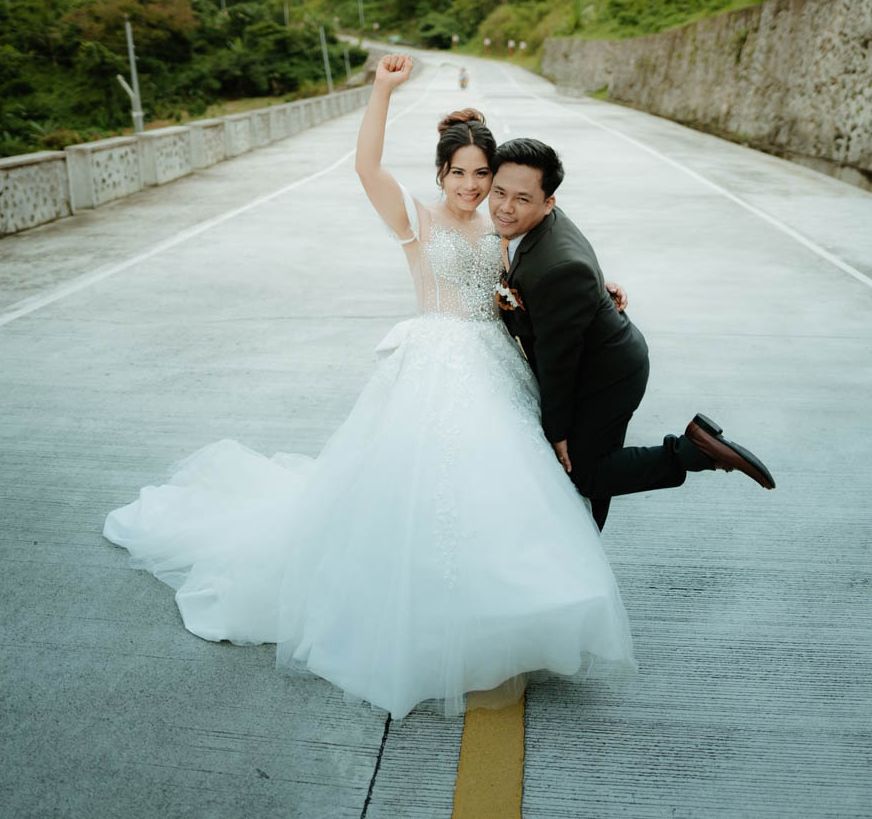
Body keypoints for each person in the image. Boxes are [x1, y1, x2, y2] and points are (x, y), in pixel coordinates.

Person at [103, 54, 636, 719]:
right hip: (433, 362)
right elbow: (365, 166)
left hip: (494, 363)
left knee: (497, 486)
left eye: (482, 174)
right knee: (421, 488)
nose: (472, 186)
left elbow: (548, 264)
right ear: (440, 173)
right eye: (460, 173)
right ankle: (424, 615)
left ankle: (503, 609)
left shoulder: (502, 229)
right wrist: (382, 90)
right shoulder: (416, 220)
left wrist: (600, 287)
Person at [490, 137, 776, 532]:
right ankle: (591, 539)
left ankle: (695, 450)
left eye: (521, 198)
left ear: (548, 202)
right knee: (590, 467)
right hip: (599, 352)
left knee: (585, 471)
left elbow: (559, 362)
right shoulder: (532, 234)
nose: (505, 207)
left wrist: (557, 432)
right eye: (499, 192)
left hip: (607, 374)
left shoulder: (558, 268)